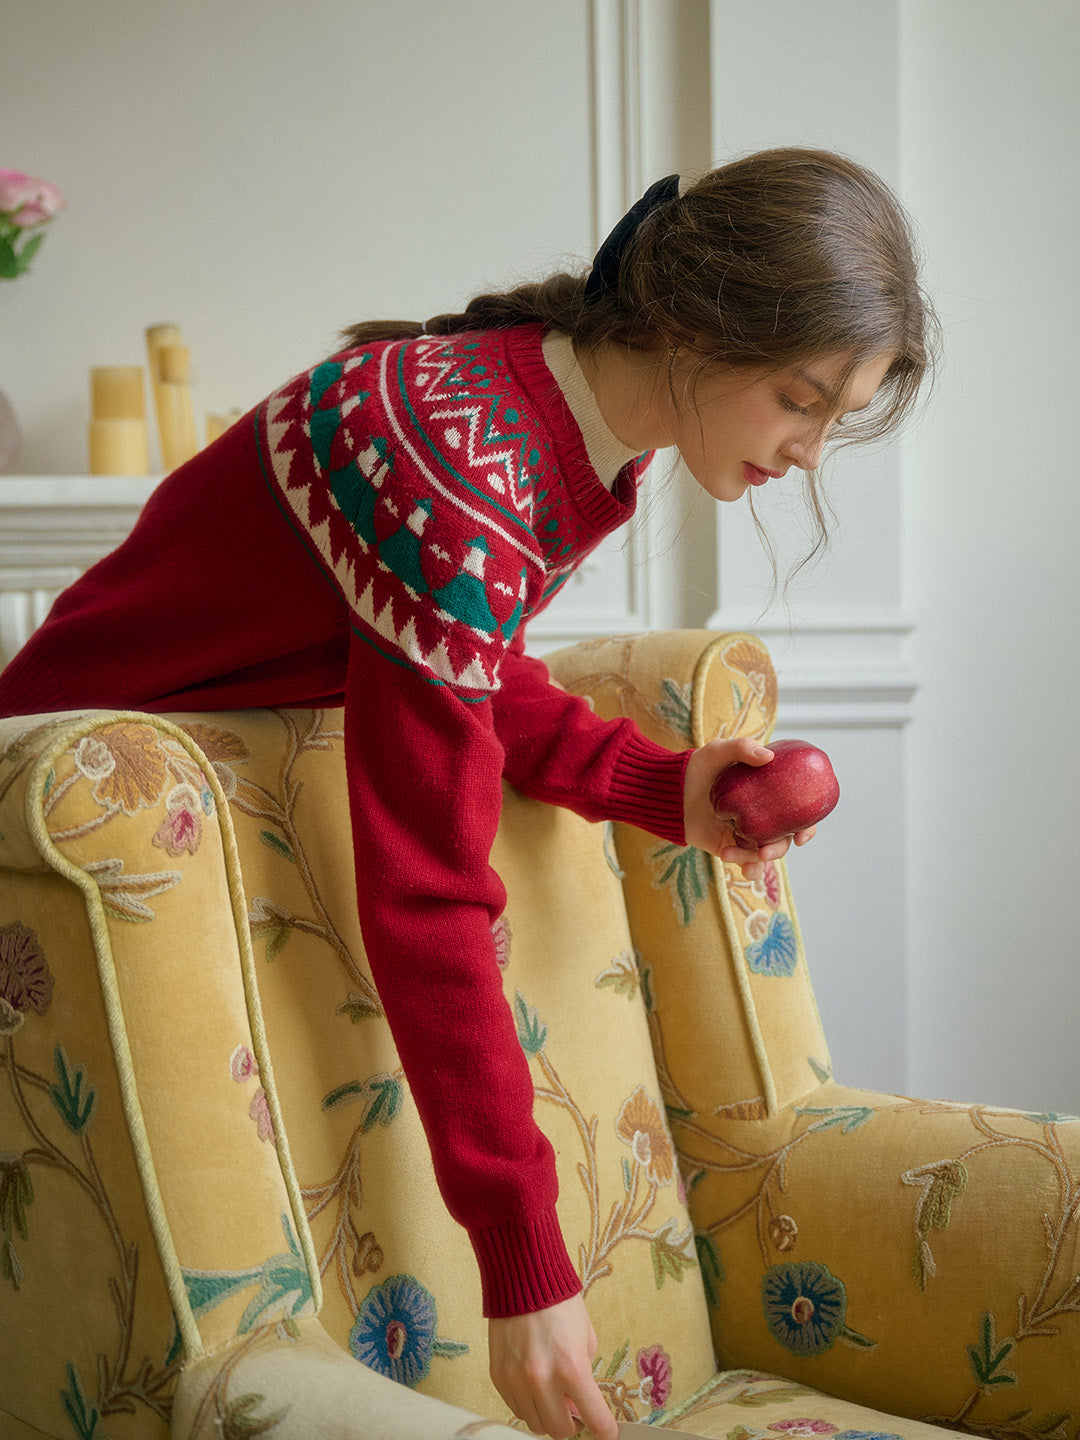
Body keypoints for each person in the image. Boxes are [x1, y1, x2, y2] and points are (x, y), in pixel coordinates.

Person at [0, 147, 935, 1439]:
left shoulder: (556, 429)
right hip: (47, 811)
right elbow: (430, 897)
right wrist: (525, 1264)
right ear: (698, 323)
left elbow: (473, 675)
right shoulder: (467, 472)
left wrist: (664, 785)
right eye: (799, 400)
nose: (812, 452)